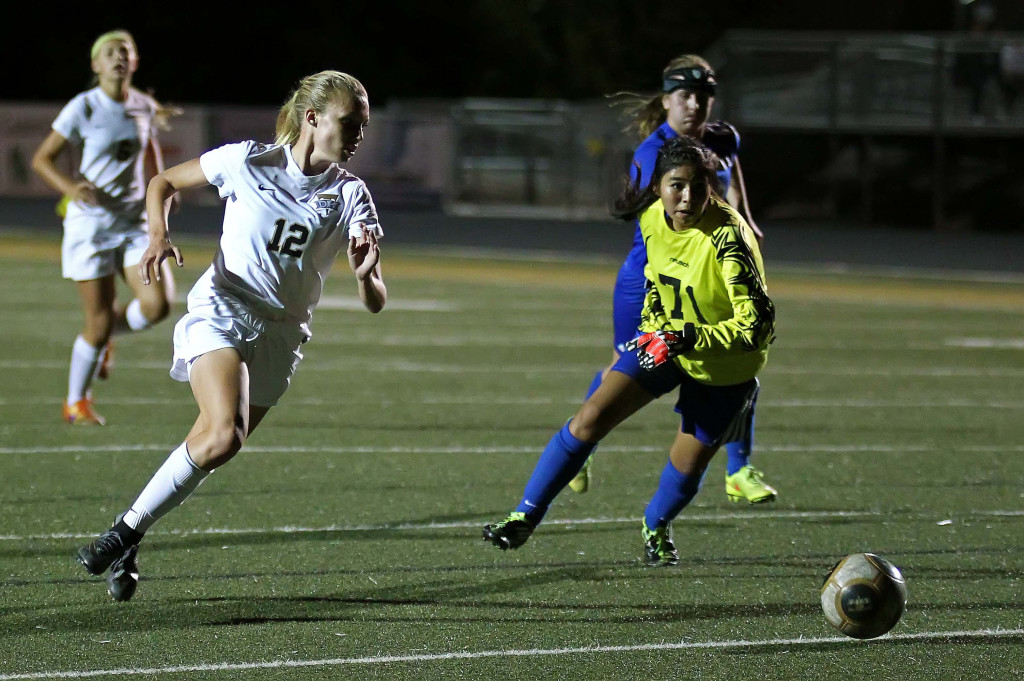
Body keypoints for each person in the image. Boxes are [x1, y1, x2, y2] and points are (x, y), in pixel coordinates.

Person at [74, 70, 386, 602]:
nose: (358, 135)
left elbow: (376, 299)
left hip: (283, 336)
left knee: (211, 445)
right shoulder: (248, 161)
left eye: (363, 126)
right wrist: (157, 235)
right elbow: (162, 183)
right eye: (349, 123)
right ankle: (121, 535)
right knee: (224, 434)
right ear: (312, 118)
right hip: (223, 307)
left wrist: (364, 275)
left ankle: (131, 533)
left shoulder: (351, 195)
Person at [483, 136, 775, 564]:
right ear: (658, 186)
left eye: (698, 185)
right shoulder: (652, 219)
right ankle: (524, 516)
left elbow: (757, 327)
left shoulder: (729, 239)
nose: (687, 196)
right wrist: (657, 326)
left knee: (688, 464)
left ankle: (655, 526)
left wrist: (688, 336)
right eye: (677, 185)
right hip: (670, 341)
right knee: (590, 417)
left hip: (725, 365)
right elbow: (658, 279)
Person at [568, 54, 775, 504]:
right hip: (650, 281)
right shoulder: (652, 153)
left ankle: (739, 471)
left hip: (710, 271)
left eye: (702, 97)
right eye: (684, 96)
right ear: (667, 101)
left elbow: (732, 176)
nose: (694, 105)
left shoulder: (722, 137)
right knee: (627, 366)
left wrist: (746, 222)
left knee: (741, 363)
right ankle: (582, 444)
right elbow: (644, 218)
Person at [31, 30, 177, 426]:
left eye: (124, 52)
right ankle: (76, 401)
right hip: (91, 225)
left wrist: (164, 190)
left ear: (134, 63)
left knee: (158, 305)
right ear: (95, 65)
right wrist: (69, 187)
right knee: (96, 323)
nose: (117, 57)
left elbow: (151, 157)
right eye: (109, 52)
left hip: (132, 223)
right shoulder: (84, 107)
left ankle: (105, 337)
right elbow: (42, 159)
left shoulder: (143, 106)